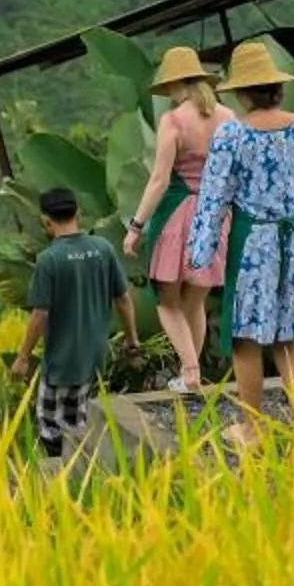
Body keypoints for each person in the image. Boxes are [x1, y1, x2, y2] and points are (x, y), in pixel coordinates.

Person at [184, 40, 294, 441]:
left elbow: (214, 196)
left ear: (242, 93)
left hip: (256, 241)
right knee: (290, 329)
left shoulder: (232, 134)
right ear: (277, 87)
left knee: (246, 335)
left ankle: (252, 427)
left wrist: (200, 251)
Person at [120, 45, 229, 391]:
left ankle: (191, 370)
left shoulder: (174, 120)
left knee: (167, 302)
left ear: (173, 83)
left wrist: (136, 226)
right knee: (195, 301)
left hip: (178, 214)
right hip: (216, 215)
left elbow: (159, 179)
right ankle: (190, 374)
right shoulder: (228, 116)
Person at [13, 185, 141, 460]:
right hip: (95, 356)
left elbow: (39, 314)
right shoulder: (103, 249)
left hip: (63, 360)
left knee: (50, 426)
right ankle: (86, 467)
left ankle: (66, 472)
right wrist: (132, 340)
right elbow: (123, 299)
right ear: (78, 213)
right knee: (82, 418)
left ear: (45, 221)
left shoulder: (49, 260)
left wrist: (23, 357)